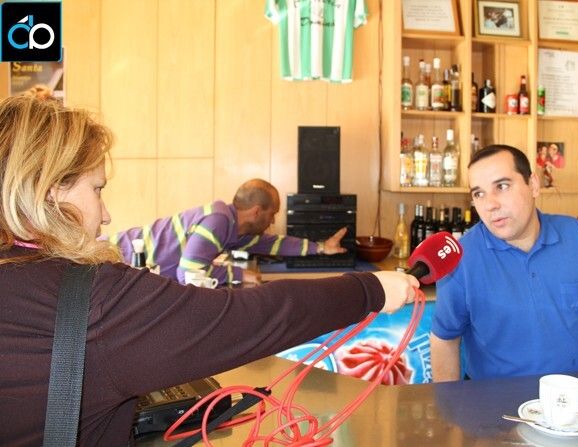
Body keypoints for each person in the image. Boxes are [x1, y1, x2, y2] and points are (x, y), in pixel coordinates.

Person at [0, 96, 419, 445]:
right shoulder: (211, 225)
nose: (106, 214)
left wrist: (320, 249)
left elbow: (271, 245)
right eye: (97, 189)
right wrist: (369, 289)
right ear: (50, 190)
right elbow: (195, 273)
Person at [430, 144, 578, 382]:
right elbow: (444, 339)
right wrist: (449, 404)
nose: (490, 204)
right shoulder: (461, 258)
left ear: (533, 185)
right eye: (478, 194)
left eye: (502, 186)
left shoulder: (576, 235)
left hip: (574, 395)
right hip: (495, 400)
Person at [110, 179, 349, 286]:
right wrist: (238, 274)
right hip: (112, 258)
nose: (273, 221)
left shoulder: (236, 229)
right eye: (272, 213)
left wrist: (321, 247)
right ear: (257, 211)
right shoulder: (218, 221)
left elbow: (273, 244)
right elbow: (190, 273)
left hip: (123, 271)